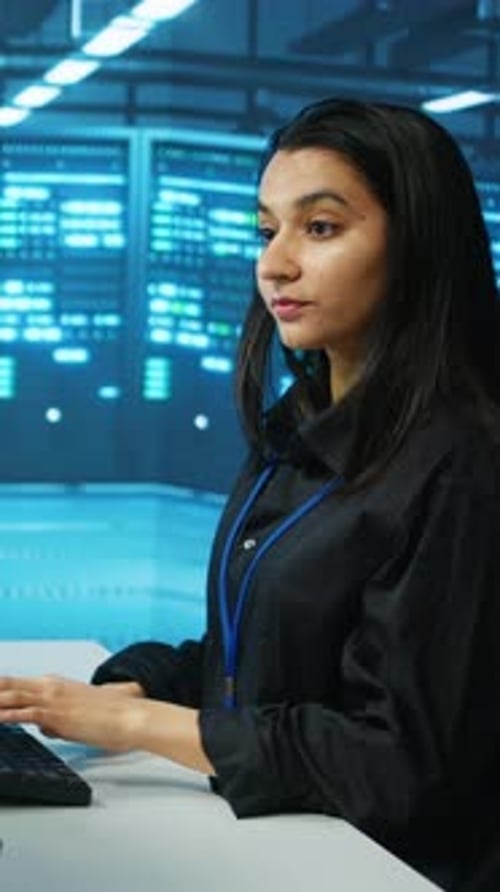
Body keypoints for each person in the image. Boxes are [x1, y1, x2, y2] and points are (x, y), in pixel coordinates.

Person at [1, 97, 500, 890]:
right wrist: (112, 694)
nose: (276, 264)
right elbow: (263, 658)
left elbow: (401, 765)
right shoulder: (300, 430)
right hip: (286, 845)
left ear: (418, 246)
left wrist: (141, 724)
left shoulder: (461, 465)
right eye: (267, 231)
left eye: (321, 228)